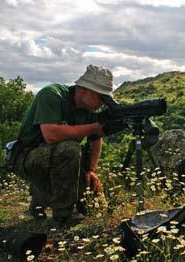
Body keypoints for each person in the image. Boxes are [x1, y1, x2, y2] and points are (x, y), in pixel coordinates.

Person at [14, 65, 123, 226]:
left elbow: (96, 138)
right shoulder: (51, 95)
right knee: (71, 148)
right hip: (27, 157)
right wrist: (94, 127)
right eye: (101, 97)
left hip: (60, 160)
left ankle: (42, 195)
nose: (102, 103)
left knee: (94, 206)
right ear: (85, 89)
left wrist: (91, 170)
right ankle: (63, 216)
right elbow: (51, 135)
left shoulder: (88, 109)